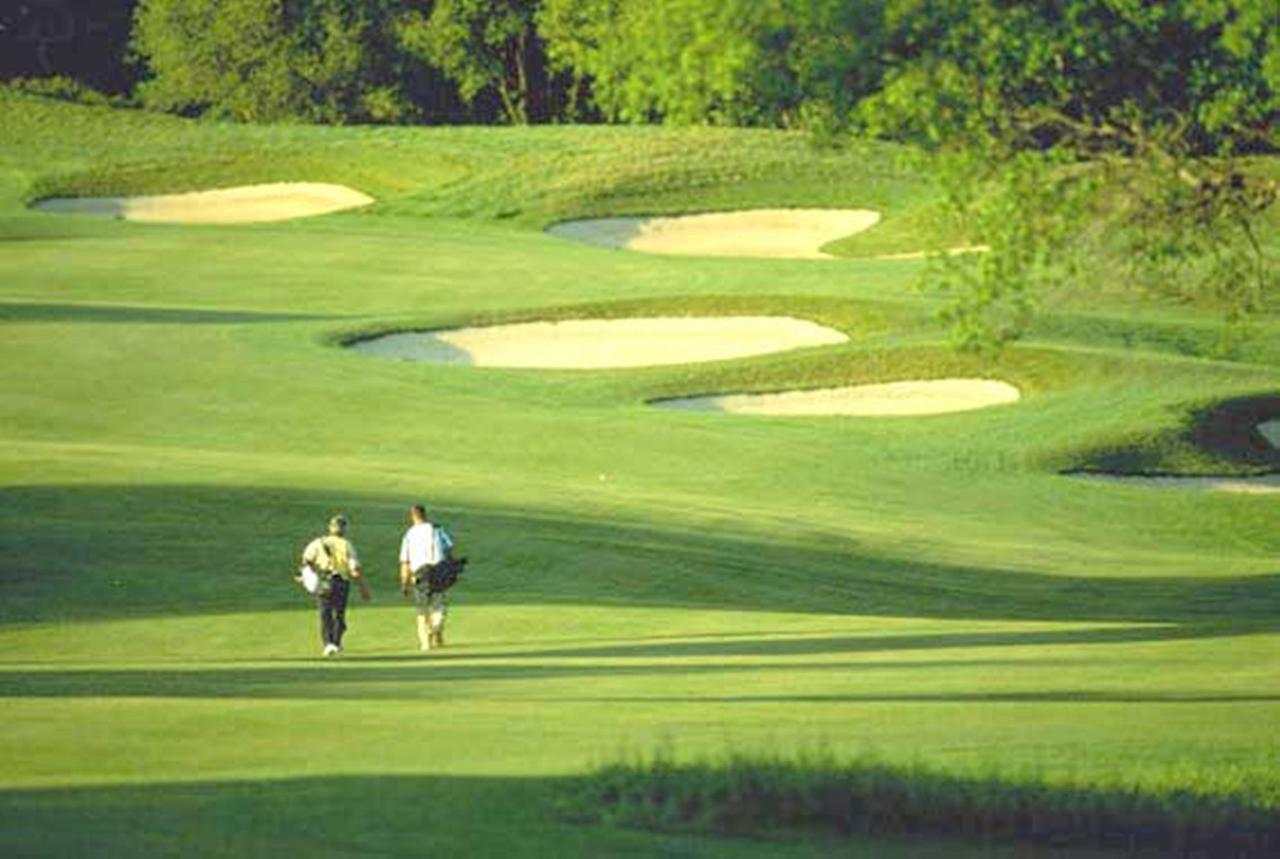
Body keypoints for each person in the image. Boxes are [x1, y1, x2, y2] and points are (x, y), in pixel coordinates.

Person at [301, 514, 370, 656]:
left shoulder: (318, 542)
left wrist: (309, 574)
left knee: (325, 613)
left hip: (323, 581)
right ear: (344, 529)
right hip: (341, 582)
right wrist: (363, 587)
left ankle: (328, 644)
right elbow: (354, 569)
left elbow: (306, 560)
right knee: (339, 614)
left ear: (330, 528)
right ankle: (336, 642)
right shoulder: (346, 545)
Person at [399, 504, 454, 652]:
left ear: (412, 516)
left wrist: (404, 583)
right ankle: (436, 629)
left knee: (422, 609)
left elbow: (405, 561)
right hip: (438, 569)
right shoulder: (437, 529)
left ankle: (425, 643)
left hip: (419, 572)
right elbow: (449, 547)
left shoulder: (409, 534)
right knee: (439, 605)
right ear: (425, 515)